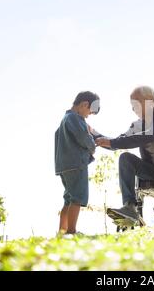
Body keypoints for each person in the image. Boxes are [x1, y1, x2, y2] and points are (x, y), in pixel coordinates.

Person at [95, 86, 154, 224]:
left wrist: (111, 142)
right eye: (132, 105)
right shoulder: (136, 125)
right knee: (125, 158)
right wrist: (95, 137)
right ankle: (130, 207)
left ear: (150, 100)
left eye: (136, 103)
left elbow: (151, 134)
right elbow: (118, 141)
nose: (133, 109)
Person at [54, 91, 100, 235]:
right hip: (76, 164)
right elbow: (84, 137)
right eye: (89, 112)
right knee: (78, 198)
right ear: (84, 104)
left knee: (68, 198)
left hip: (64, 166)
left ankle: (62, 231)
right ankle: (71, 231)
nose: (87, 116)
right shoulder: (75, 118)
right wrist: (92, 146)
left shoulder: (65, 119)